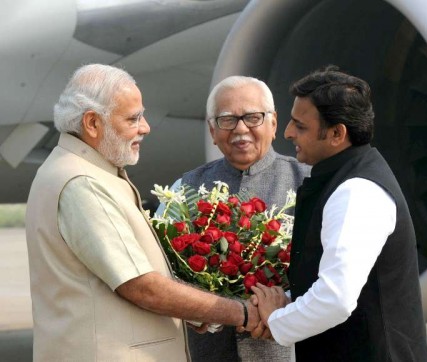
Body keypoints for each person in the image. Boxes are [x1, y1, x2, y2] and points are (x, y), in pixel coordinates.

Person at [25, 64, 259, 362]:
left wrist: (196, 310)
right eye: (133, 118)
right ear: (92, 123)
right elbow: (142, 287)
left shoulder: (76, 169)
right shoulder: (83, 183)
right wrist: (241, 312)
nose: (145, 127)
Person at [250, 65, 427, 361]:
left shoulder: (356, 191)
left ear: (336, 133)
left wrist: (275, 319)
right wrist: (284, 305)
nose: (288, 132)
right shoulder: (348, 178)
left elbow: (336, 299)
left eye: (301, 126)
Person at [164, 75, 310, 361]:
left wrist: (284, 305)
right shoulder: (185, 189)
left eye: (253, 117)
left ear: (274, 123)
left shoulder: (307, 182)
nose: (241, 129)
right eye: (227, 120)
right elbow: (162, 272)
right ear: (211, 130)